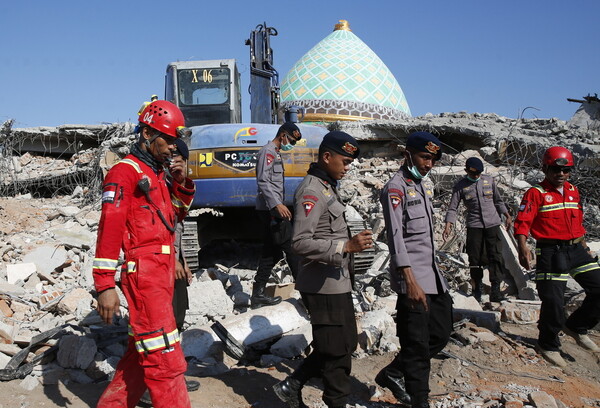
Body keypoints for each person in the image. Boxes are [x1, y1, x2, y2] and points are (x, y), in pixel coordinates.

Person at [93, 100, 196, 408]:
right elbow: (109, 229)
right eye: (167, 142)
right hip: (145, 275)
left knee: (141, 355)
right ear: (148, 134)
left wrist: (182, 184)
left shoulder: (156, 175)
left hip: (162, 272)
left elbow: (175, 217)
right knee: (165, 359)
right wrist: (104, 285)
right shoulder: (124, 173)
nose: (171, 150)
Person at [272, 131, 373, 408]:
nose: (347, 167)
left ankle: (291, 384)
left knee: (345, 342)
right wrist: (345, 247)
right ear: (327, 157)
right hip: (321, 284)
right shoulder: (312, 190)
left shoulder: (326, 185)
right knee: (335, 350)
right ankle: (334, 401)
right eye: (345, 161)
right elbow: (300, 242)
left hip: (337, 281)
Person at [376, 131, 453, 408]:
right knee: (417, 346)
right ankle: (420, 401)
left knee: (441, 333)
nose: (428, 164)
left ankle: (393, 372)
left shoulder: (422, 185)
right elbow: (396, 238)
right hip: (413, 280)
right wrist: (409, 281)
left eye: (432, 159)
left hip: (433, 277)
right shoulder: (395, 188)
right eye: (424, 157)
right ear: (407, 154)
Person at [514, 146, 600, 367]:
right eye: (555, 170)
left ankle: (577, 327)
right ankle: (548, 344)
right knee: (553, 301)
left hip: (576, 250)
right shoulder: (536, 193)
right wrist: (522, 247)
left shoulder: (573, 190)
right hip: (551, 252)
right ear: (545, 168)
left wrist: (583, 244)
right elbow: (523, 222)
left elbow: (577, 221)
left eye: (566, 170)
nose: (561, 174)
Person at [442, 157, 512, 302]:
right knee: (475, 258)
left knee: (495, 256)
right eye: (473, 174)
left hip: (492, 224)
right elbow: (453, 207)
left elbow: (498, 201)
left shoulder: (489, 181)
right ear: (467, 171)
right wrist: (448, 224)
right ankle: (477, 288)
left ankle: (495, 289)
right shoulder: (461, 186)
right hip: (474, 225)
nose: (476, 177)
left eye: (478, 174)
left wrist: (507, 215)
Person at [252, 122, 303, 309]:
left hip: (271, 208)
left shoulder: (276, 152)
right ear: (282, 135)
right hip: (270, 209)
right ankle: (307, 294)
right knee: (291, 248)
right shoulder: (268, 151)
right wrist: (277, 204)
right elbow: (263, 181)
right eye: (290, 140)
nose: (291, 145)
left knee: (271, 252)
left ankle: (257, 294)